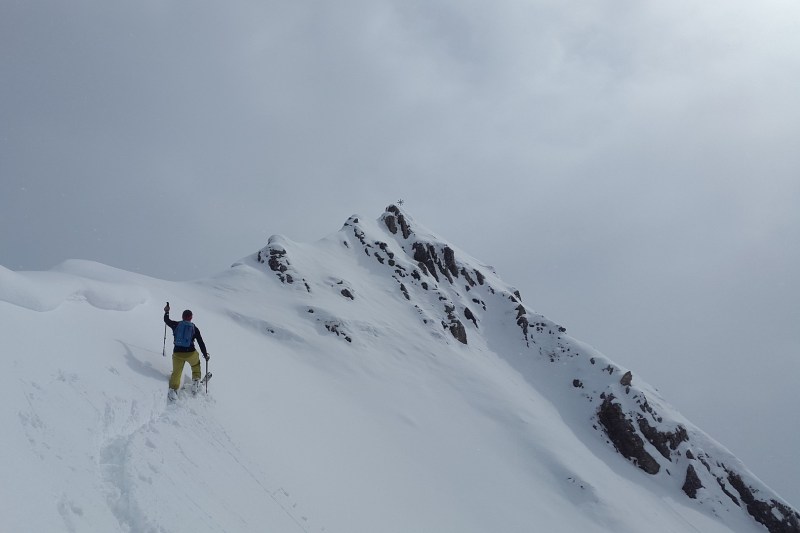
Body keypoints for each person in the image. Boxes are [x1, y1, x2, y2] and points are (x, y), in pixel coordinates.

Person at [164, 303, 210, 400]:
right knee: (195, 365)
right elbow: (201, 342)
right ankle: (196, 381)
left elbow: (166, 320)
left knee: (176, 372)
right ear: (191, 318)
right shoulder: (194, 328)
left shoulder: (176, 325)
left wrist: (167, 312)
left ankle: (173, 391)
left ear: (182, 316)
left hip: (177, 354)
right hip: (190, 353)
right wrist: (205, 354)